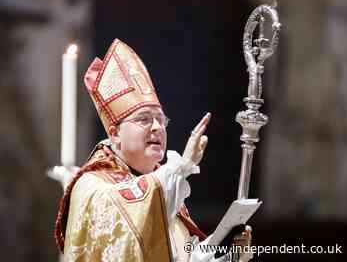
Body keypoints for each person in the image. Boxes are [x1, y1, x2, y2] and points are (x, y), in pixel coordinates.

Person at [55, 39, 253, 262]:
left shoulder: (162, 190)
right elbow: (127, 222)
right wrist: (181, 167)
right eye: (144, 119)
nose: (158, 127)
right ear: (114, 133)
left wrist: (229, 255)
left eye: (161, 120)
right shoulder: (93, 186)